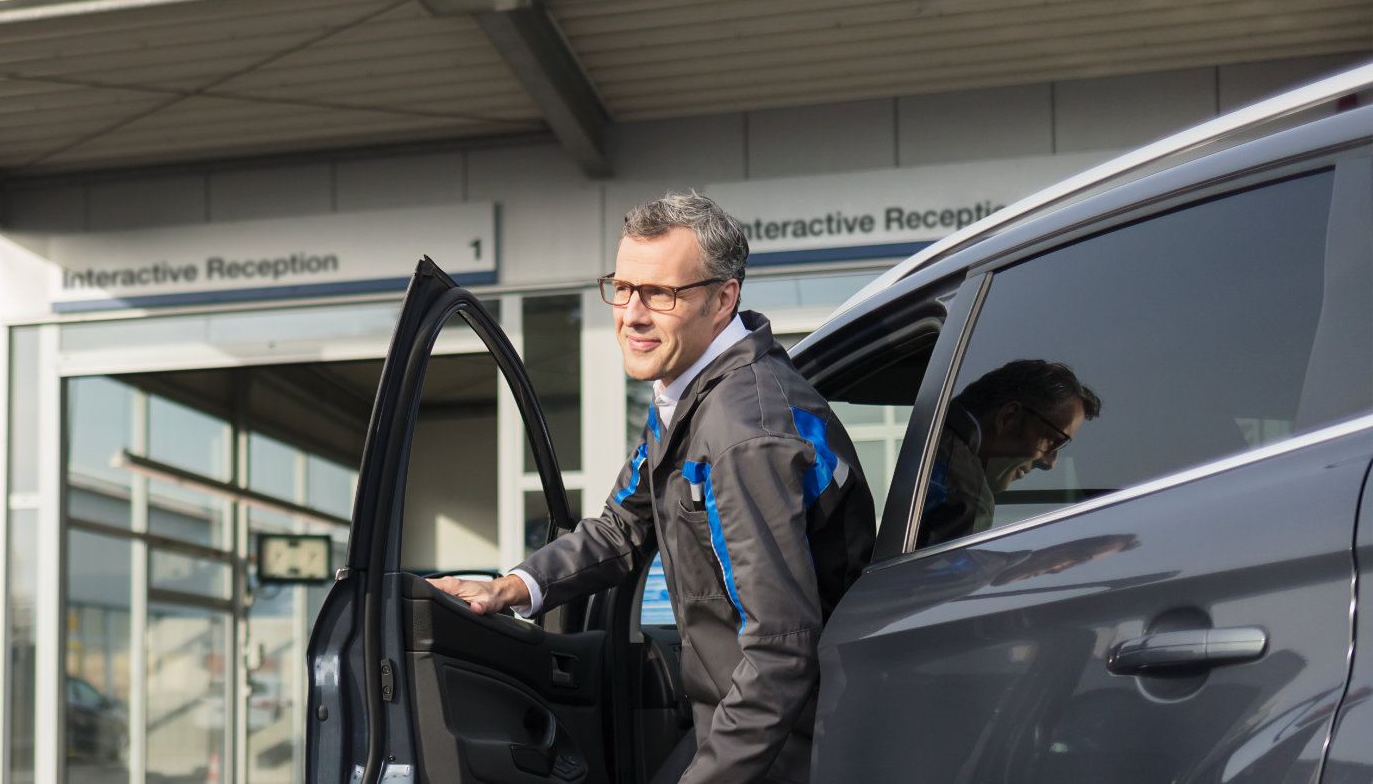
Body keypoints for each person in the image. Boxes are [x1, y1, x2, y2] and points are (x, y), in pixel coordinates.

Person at [429, 192, 876, 784]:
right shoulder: (687, 397)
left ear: (723, 299)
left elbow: (781, 649)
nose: (632, 314)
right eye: (623, 287)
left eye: (660, 294)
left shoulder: (743, 431)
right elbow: (623, 526)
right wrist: (515, 586)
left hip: (785, 743)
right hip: (730, 722)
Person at [917, 359, 1102, 548]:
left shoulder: (920, 434)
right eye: (1052, 441)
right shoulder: (965, 499)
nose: (1051, 463)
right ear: (1008, 418)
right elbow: (946, 577)